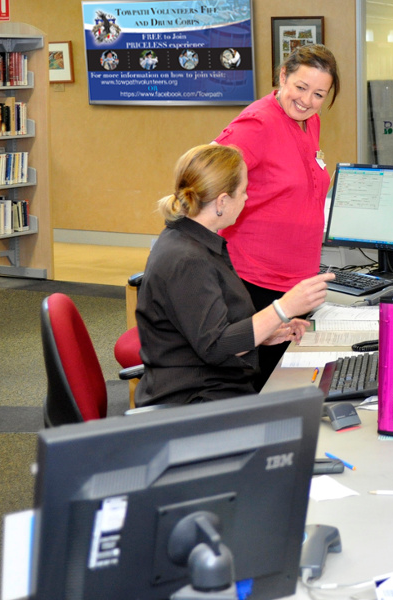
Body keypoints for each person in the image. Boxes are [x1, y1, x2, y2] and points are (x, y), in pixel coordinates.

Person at [135, 144, 333, 406]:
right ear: (221, 201)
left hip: (213, 386)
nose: (247, 198)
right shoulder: (188, 260)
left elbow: (211, 329)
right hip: (197, 402)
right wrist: (283, 308)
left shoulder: (191, 240)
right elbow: (216, 346)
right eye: (243, 191)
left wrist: (267, 332)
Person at [215, 44, 339, 390]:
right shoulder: (257, 123)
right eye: (300, 87)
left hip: (295, 281)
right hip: (256, 280)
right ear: (282, 76)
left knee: (290, 383)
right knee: (265, 388)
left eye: (318, 94)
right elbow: (208, 177)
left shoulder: (309, 122)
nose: (307, 100)